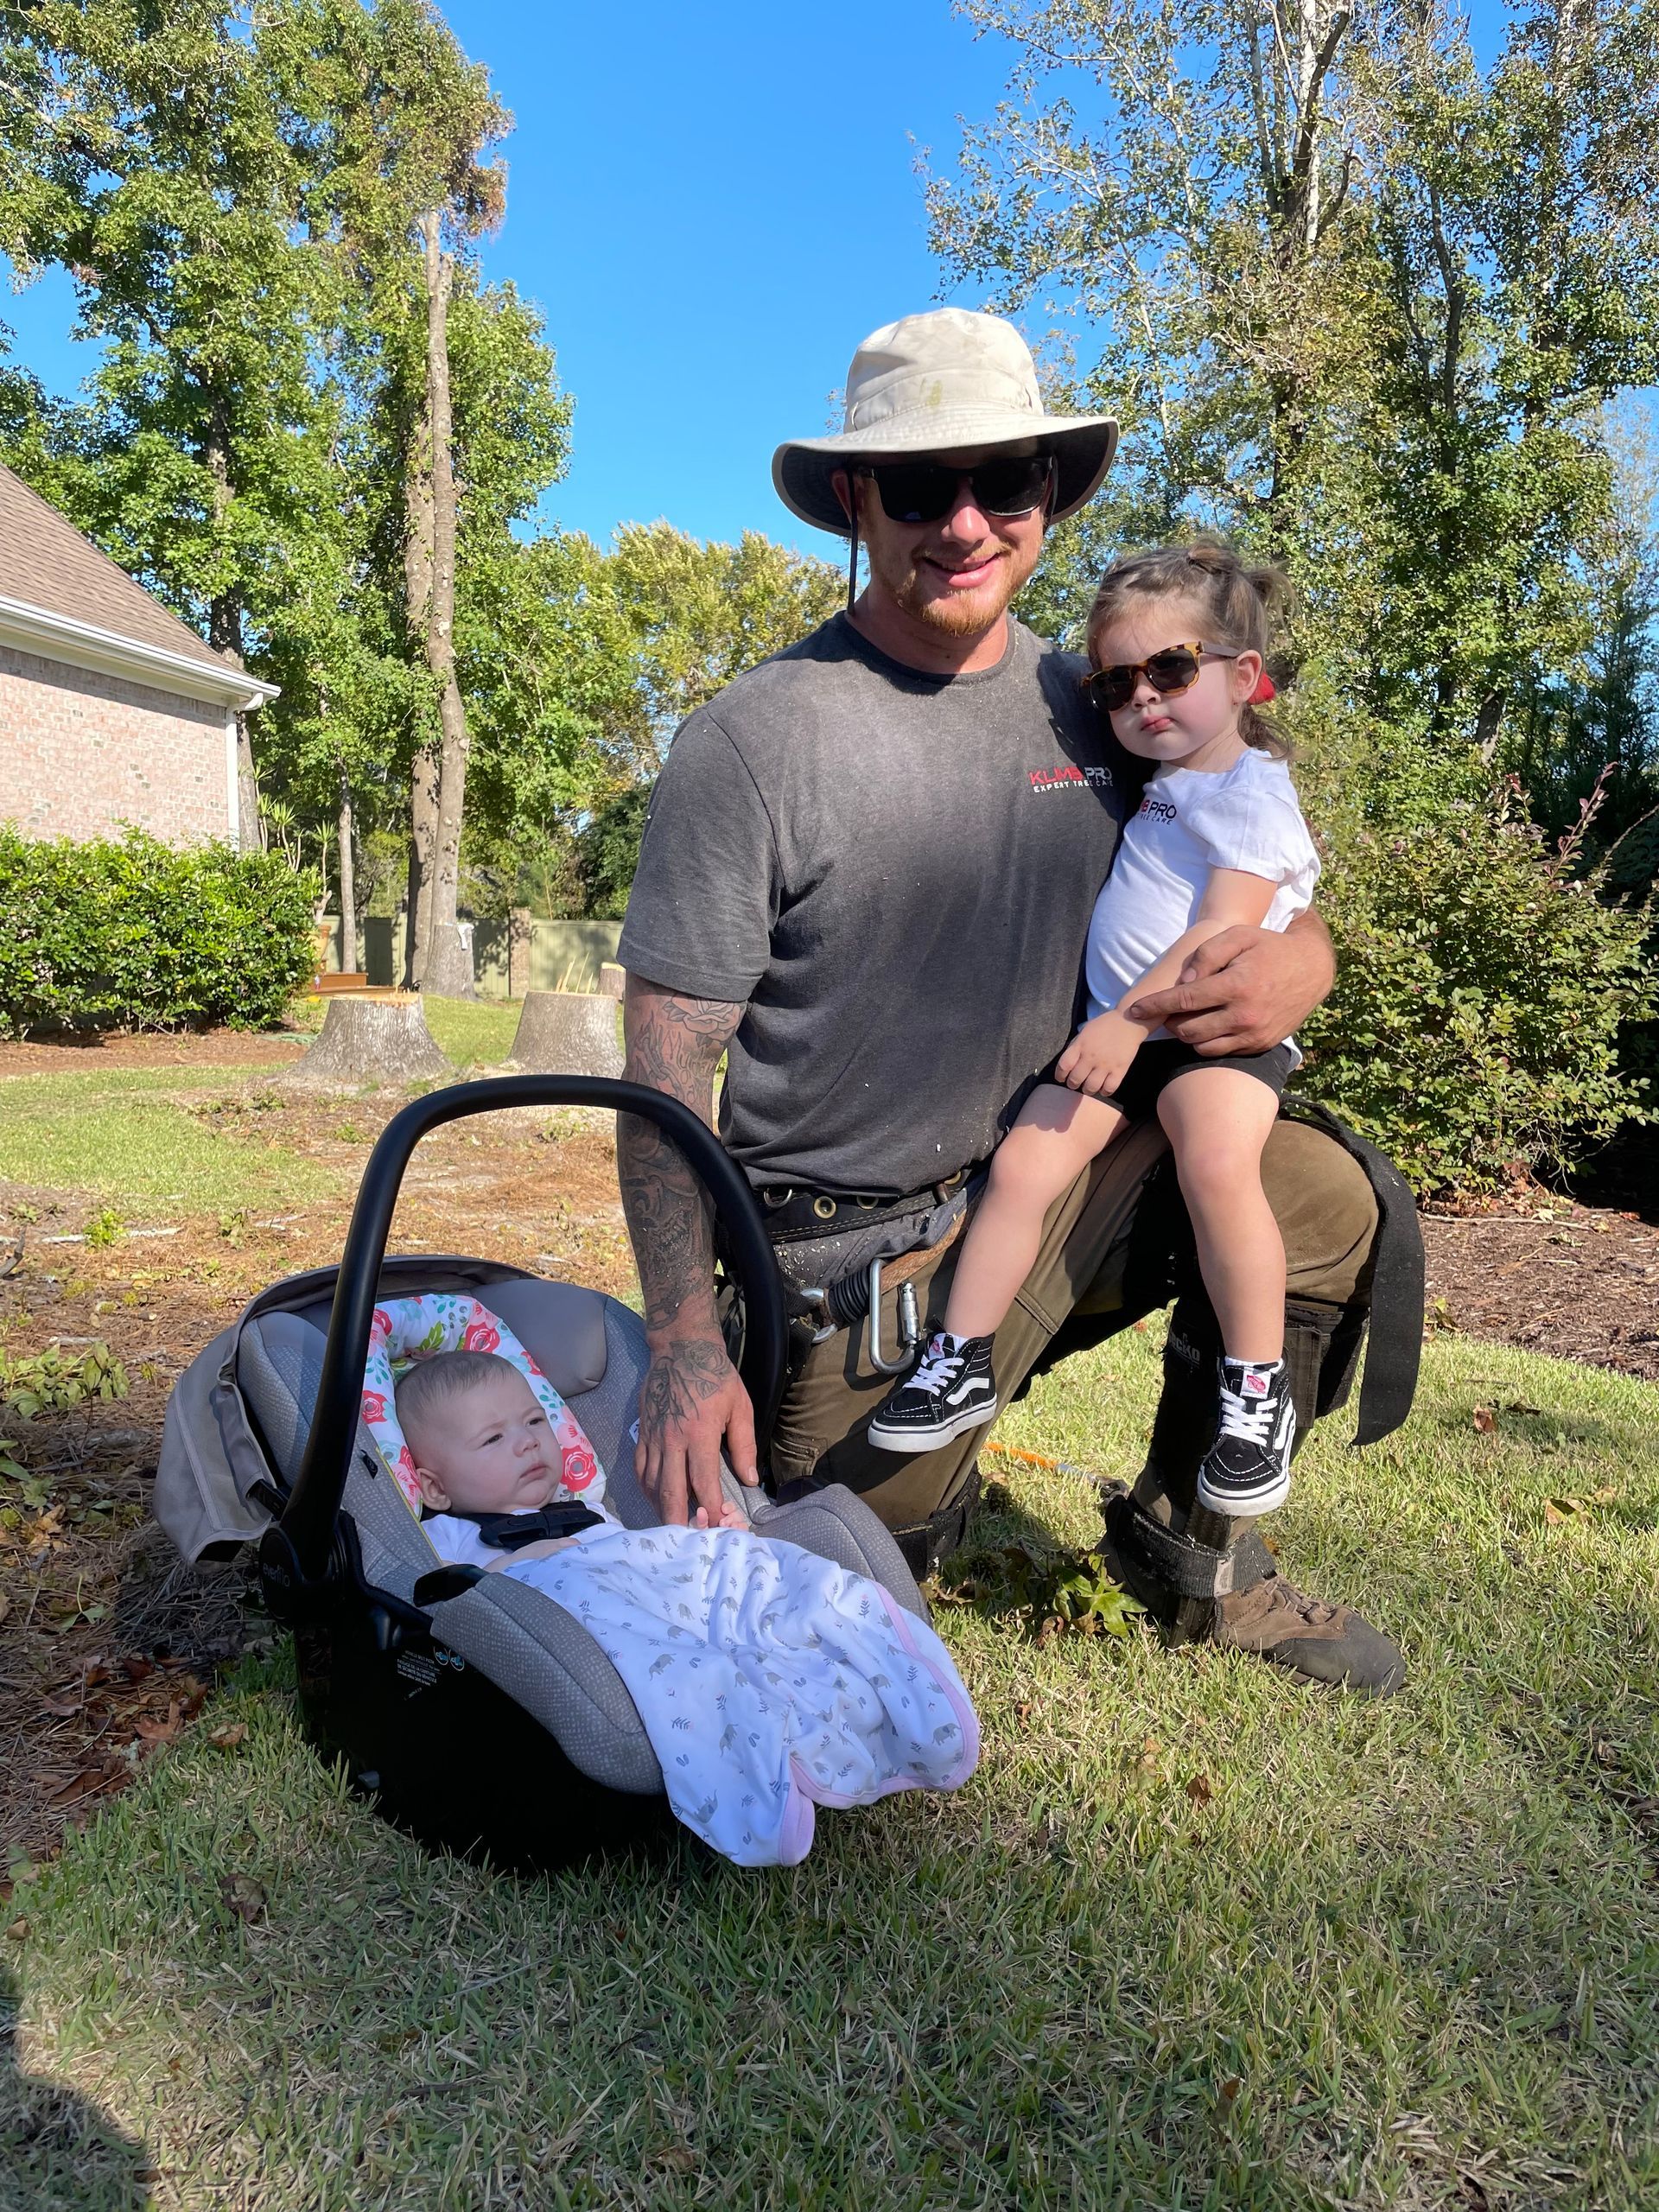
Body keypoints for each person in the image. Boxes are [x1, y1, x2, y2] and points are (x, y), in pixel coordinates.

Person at [615, 306, 1420, 1698]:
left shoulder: (1095, 702)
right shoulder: (755, 740)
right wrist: (686, 1343)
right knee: (827, 1604)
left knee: (1321, 1194)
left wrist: (1311, 955)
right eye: (924, 487)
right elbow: (660, 1074)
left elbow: (1246, 846)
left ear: (1051, 497)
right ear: (857, 499)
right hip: (852, 1261)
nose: (969, 523)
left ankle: (1197, 1556)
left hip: (1059, 1169)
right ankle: (899, 1477)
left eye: (1009, 482)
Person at [868, 542, 1315, 1529]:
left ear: (1244, 676)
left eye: (1171, 669)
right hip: (1122, 1034)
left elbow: (1220, 933)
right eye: (1117, 681)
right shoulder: (1158, 777)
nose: (1144, 699)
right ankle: (960, 1358)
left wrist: (1124, 1020)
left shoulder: (1249, 792)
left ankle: (1255, 1391)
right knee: (1026, 1164)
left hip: (1204, 1029)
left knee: (1216, 1165)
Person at [397, 1350, 979, 1867]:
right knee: (687, 1664)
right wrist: (533, 1562)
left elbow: (652, 1568)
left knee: (757, 1577)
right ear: (437, 1487)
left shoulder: (588, 1509)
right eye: (493, 1439)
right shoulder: (451, 1535)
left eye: (532, 1421)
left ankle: (847, 1662)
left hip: (654, 1593)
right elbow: (456, 1597)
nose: (527, 1441)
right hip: (570, 1614)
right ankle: (755, 1753)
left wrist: (708, 1542)